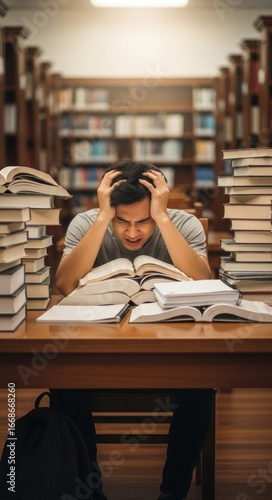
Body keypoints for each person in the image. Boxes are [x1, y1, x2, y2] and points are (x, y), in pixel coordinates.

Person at [51, 160, 214, 500]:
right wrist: (101, 218)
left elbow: (204, 283)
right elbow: (65, 285)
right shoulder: (88, 223)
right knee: (63, 384)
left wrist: (165, 219)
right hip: (97, 351)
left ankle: (173, 492)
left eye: (144, 221)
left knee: (201, 384)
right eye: (122, 221)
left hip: (169, 351)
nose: (132, 233)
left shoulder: (184, 224)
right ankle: (89, 489)